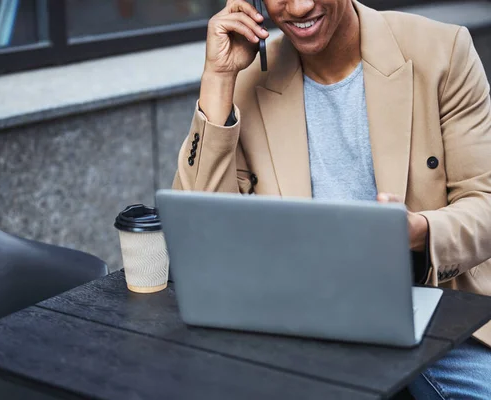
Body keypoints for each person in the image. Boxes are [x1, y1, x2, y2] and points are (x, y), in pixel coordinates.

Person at [172, 0, 491, 398]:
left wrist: (418, 232)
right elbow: (201, 238)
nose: (301, 6)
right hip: (299, 321)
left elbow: (485, 202)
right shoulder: (246, 76)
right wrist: (218, 78)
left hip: (434, 312)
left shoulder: (441, 51)